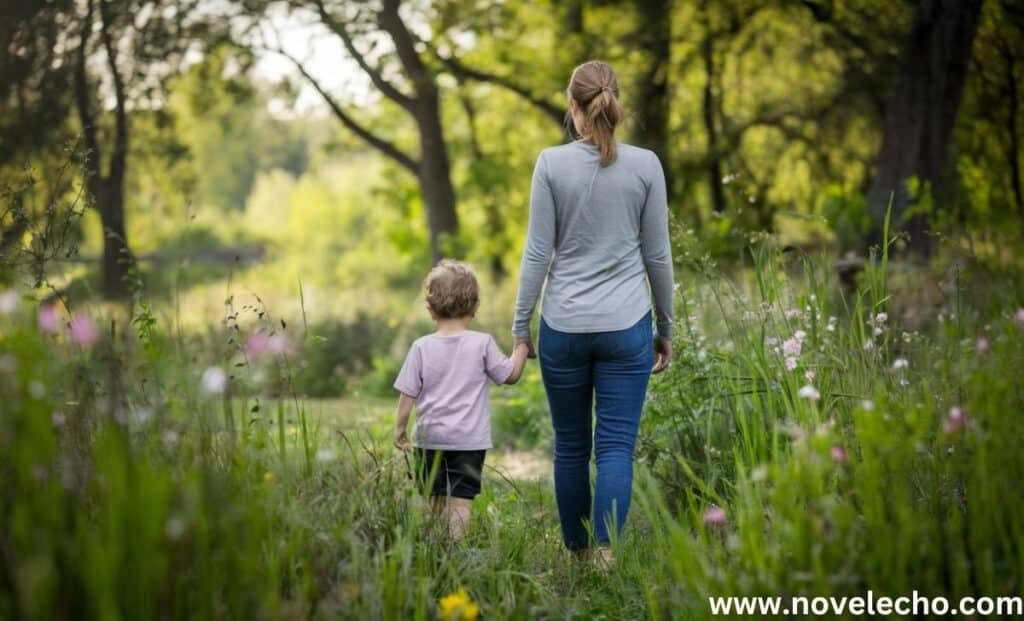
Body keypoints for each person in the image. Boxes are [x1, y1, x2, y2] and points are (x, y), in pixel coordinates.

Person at [512, 60, 675, 566]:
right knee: (615, 448)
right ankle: (604, 561)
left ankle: (578, 559)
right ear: (614, 105)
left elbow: (537, 253)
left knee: (570, 447)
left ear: (575, 109)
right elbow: (659, 257)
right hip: (627, 327)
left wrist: (521, 327)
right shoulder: (646, 165)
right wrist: (665, 328)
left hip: (563, 327)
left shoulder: (550, 164)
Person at [394, 259, 529, 539]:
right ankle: (456, 549)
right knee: (460, 502)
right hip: (469, 441)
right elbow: (510, 375)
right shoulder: (482, 343)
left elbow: (407, 393)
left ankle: (432, 551)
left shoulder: (421, 347)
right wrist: (521, 348)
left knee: (432, 500)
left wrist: (400, 429)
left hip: (429, 440)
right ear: (475, 307)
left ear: (430, 309)